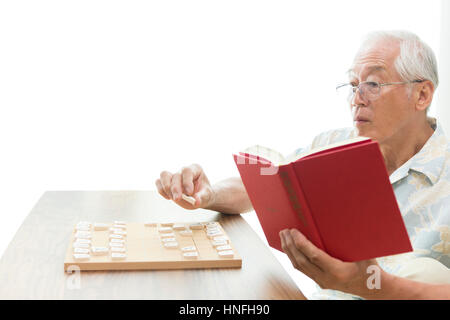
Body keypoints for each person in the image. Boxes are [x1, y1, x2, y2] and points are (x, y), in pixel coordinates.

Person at [155, 30, 450, 299]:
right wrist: (210, 193)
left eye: (372, 84)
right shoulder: (334, 144)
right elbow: (269, 184)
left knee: (428, 270)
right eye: (352, 85)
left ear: (422, 95)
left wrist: (369, 285)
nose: (356, 99)